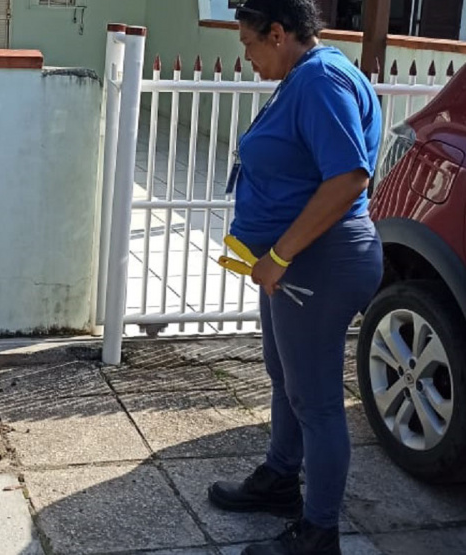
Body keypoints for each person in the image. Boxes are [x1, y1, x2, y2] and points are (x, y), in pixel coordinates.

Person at [206, 1, 383, 554]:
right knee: (284, 374)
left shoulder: (321, 81)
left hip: (318, 262)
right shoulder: (304, 75)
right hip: (301, 260)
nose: (247, 56)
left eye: (249, 44)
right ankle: (281, 479)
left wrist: (279, 256)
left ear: (278, 34)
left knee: (318, 400)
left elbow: (350, 176)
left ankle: (319, 533)